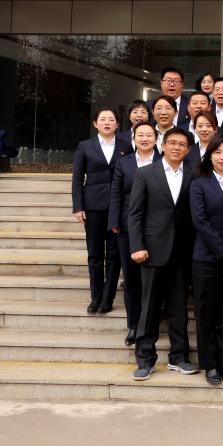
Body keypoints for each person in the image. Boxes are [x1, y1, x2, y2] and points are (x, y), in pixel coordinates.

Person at [128, 127, 197, 380]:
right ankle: (145, 359)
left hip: (183, 251)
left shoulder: (194, 174)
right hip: (152, 250)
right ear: (163, 145)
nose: (177, 147)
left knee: (179, 307)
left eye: (182, 144)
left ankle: (179, 357)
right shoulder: (146, 173)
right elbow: (135, 213)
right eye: (172, 143)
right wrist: (137, 246)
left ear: (188, 150)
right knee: (149, 307)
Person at [189, 135, 223, 385]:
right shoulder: (199, 183)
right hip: (207, 258)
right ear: (210, 155)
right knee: (207, 312)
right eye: (218, 152)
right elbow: (200, 221)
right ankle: (210, 364)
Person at [73, 108, 126, 315]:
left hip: (117, 207)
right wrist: (78, 206)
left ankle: (108, 297)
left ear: (117, 124)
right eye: (102, 119)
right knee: (95, 254)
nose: (107, 122)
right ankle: (95, 296)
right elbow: (78, 178)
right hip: (93, 206)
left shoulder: (125, 145)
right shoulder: (85, 146)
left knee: (114, 254)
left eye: (111, 119)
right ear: (95, 124)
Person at [109, 122, 159, 346]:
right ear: (133, 139)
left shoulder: (162, 162)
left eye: (149, 135)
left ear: (156, 139)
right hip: (128, 226)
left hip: (156, 227)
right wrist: (114, 221)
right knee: (131, 279)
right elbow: (116, 193)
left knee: (153, 280)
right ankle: (133, 325)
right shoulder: (124, 162)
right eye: (140, 135)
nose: (145, 139)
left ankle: (150, 324)